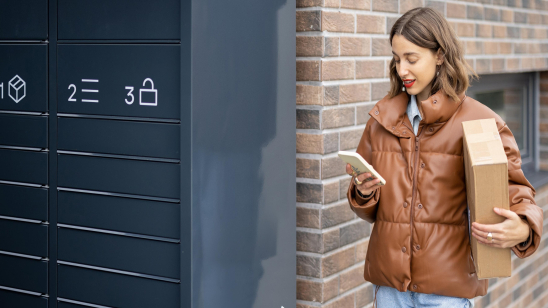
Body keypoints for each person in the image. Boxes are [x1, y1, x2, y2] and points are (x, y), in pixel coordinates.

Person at [345, 7, 543, 308]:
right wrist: (363, 191)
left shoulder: (480, 121)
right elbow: (370, 209)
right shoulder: (381, 120)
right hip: (389, 292)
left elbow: (519, 193)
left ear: (440, 55)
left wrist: (524, 226)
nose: (402, 70)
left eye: (412, 59)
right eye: (397, 59)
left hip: (446, 295)